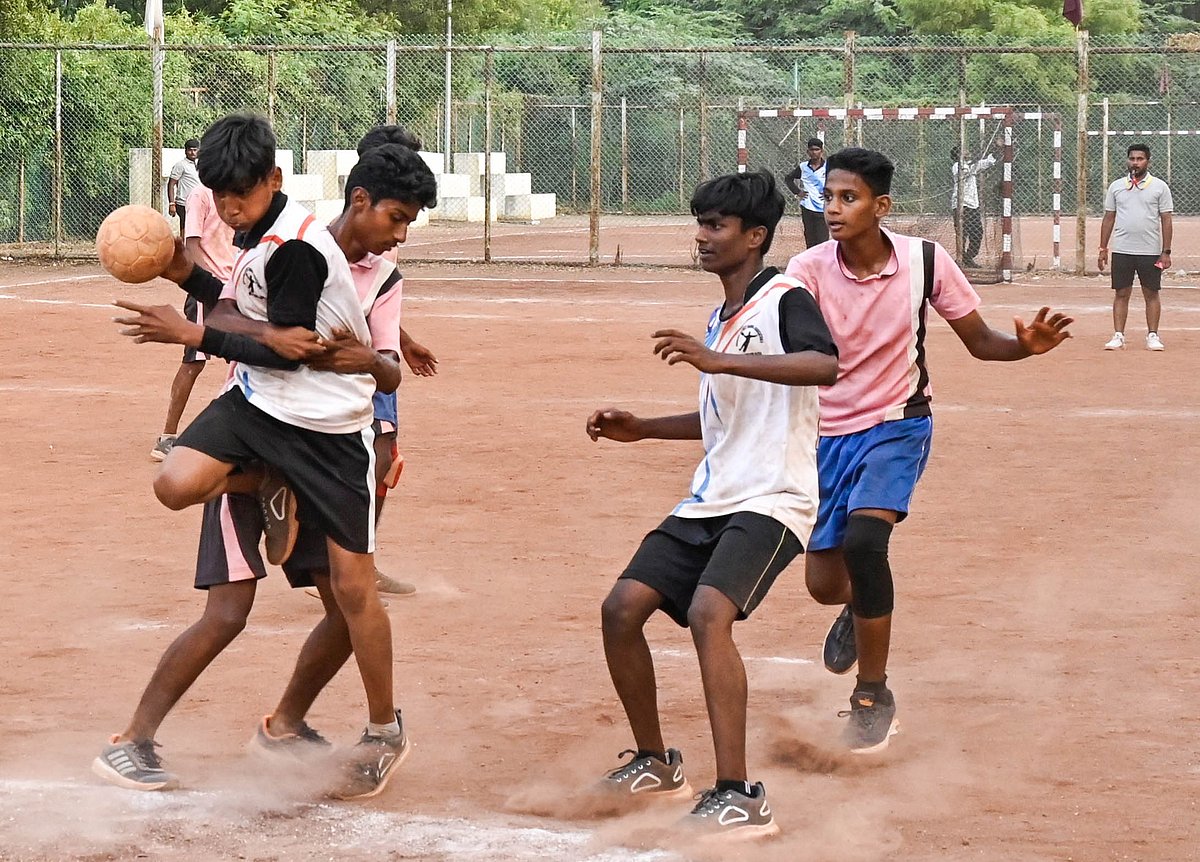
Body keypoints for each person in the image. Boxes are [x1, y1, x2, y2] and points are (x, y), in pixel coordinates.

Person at [97, 115, 435, 799]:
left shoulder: (302, 251)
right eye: (218, 196)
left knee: (351, 595)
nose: (227, 209)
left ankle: (375, 730)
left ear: (273, 182)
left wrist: (191, 332)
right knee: (177, 491)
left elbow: (284, 346)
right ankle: (261, 481)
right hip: (258, 410)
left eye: (239, 195)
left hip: (330, 434)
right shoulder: (264, 232)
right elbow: (243, 308)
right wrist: (186, 274)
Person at [785, 148, 1072, 754]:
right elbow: (796, 355)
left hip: (898, 424)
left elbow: (982, 342)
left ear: (881, 206)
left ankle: (872, 698)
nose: (833, 208)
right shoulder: (806, 269)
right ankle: (857, 607)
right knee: (824, 584)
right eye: (828, 197)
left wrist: (1025, 347)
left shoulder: (925, 260)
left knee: (867, 543)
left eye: (848, 198)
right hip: (826, 435)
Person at [588, 170, 839, 839]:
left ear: (754, 236)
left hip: (775, 499)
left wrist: (719, 362)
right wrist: (643, 427)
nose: (702, 236)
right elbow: (724, 418)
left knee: (708, 612)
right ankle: (655, 763)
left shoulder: (785, 298)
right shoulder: (721, 321)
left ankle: (739, 793)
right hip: (711, 498)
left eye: (716, 225)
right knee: (620, 609)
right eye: (700, 223)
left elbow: (824, 365)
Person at [150, 184, 235, 462]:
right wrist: (205, 284)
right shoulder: (200, 195)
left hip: (232, 290)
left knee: (244, 358)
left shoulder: (236, 194)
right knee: (194, 361)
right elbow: (192, 245)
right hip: (208, 292)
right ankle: (167, 437)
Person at [1098, 143, 1174, 351]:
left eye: (1140, 159)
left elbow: (1166, 220)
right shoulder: (1116, 186)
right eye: (1132, 158)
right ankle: (1118, 335)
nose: (1135, 163)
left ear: (1148, 161)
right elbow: (1109, 217)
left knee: (1151, 293)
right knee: (1121, 293)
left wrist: (1166, 251)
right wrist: (1103, 248)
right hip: (1122, 250)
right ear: (1127, 160)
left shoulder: (1159, 187)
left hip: (1150, 251)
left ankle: (1152, 335)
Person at [950, 146, 996, 269]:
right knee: (962, 233)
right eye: (964, 151)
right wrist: (974, 163)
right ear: (959, 155)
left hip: (973, 205)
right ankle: (960, 259)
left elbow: (988, 162)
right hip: (961, 204)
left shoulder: (972, 165)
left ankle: (968, 257)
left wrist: (995, 149)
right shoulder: (957, 166)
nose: (968, 151)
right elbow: (964, 172)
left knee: (977, 232)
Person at [784, 138, 829, 249]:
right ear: (808, 152)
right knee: (809, 236)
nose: (814, 152)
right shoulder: (803, 167)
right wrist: (798, 192)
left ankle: (822, 258)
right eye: (812, 150)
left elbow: (838, 182)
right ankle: (811, 257)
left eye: (817, 149)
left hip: (823, 207)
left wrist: (829, 194)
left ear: (822, 151)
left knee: (822, 238)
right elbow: (788, 179)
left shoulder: (828, 167)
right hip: (807, 206)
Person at [167, 139, 201, 236]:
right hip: (184, 203)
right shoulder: (181, 165)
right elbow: (171, 184)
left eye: (195, 150)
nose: (192, 153)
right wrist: (171, 203)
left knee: (198, 228)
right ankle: (183, 244)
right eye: (190, 150)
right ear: (185, 151)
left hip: (198, 202)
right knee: (186, 227)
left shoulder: (200, 164)